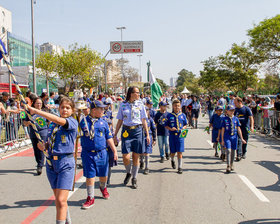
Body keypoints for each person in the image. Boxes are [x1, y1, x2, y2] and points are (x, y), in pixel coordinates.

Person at [31, 97, 78, 224]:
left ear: (72, 110)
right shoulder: (52, 125)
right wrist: (44, 146)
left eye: (68, 108)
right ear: (59, 108)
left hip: (66, 163)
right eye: (62, 107)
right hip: (52, 164)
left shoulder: (72, 122)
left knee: (61, 200)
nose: (65, 110)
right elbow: (50, 142)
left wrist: (36, 111)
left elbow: (57, 119)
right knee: (59, 199)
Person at [79, 100, 118, 209]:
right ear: (94, 110)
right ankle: (90, 197)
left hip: (102, 153)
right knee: (90, 175)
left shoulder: (104, 122)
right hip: (88, 153)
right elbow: (76, 135)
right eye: (101, 109)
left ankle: (103, 188)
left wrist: (114, 151)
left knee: (103, 175)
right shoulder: (83, 122)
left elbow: (108, 137)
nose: (103, 110)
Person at [114, 86, 150, 189]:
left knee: (136, 156)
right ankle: (128, 172)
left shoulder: (140, 104)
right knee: (125, 156)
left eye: (139, 93)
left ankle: (134, 178)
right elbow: (120, 120)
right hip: (126, 131)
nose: (139, 94)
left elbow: (144, 120)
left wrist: (147, 134)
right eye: (137, 92)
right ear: (131, 93)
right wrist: (115, 134)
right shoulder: (123, 105)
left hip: (138, 131)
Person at [24, 97, 49, 175]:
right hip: (33, 133)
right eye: (37, 103)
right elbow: (25, 123)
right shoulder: (30, 113)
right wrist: (30, 123)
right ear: (34, 104)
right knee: (36, 150)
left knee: (41, 148)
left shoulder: (44, 112)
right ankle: (38, 162)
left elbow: (48, 122)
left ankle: (40, 165)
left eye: (40, 103)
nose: (39, 105)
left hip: (43, 132)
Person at [165, 99, 188, 174]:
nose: (177, 107)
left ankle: (180, 167)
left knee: (180, 151)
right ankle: (172, 159)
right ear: (173, 106)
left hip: (180, 135)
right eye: (175, 106)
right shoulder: (169, 115)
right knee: (173, 152)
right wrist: (170, 129)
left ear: (180, 106)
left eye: (178, 106)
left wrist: (182, 128)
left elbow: (185, 124)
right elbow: (166, 125)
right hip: (172, 135)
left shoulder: (183, 115)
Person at [221, 105, 246, 173]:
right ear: (227, 111)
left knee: (233, 151)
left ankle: (232, 164)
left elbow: (238, 129)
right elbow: (223, 129)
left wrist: (242, 138)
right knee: (228, 150)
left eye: (233, 110)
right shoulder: (224, 119)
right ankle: (228, 165)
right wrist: (222, 140)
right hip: (227, 136)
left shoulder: (236, 119)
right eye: (230, 110)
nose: (232, 112)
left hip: (234, 137)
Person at [234, 97, 254, 161]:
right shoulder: (235, 110)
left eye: (235, 103)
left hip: (245, 127)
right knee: (239, 140)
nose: (234, 104)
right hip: (238, 127)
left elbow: (251, 118)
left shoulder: (246, 109)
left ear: (239, 102)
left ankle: (244, 152)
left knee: (245, 140)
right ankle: (238, 154)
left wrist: (252, 126)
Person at [140, 107, 156, 174]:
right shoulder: (138, 119)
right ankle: (141, 161)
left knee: (147, 152)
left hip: (148, 136)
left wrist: (154, 138)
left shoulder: (150, 120)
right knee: (140, 151)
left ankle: (147, 167)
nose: (145, 112)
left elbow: (153, 129)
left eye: (146, 111)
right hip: (140, 136)